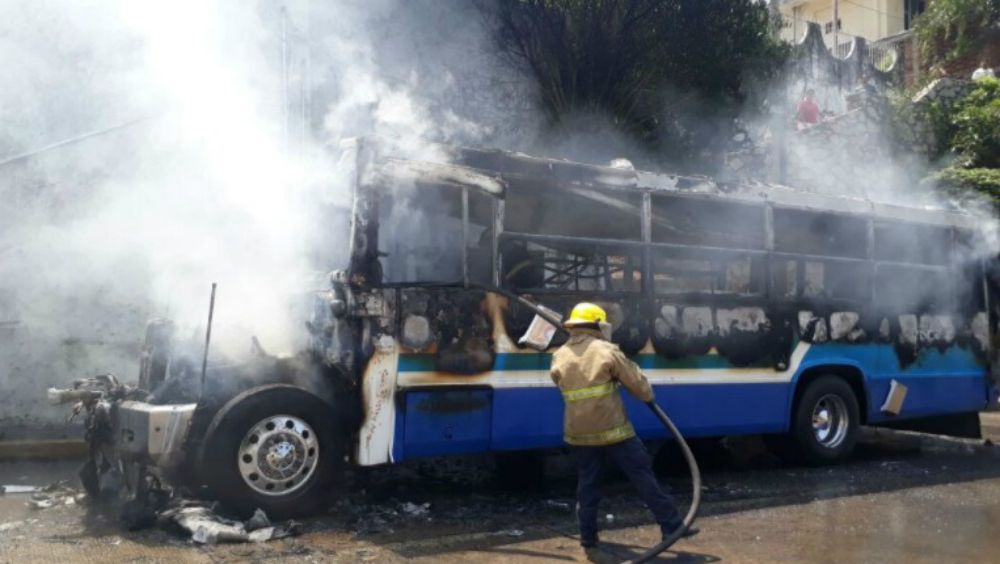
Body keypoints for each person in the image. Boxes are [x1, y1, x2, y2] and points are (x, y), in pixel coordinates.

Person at [550, 302, 697, 548]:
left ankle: (588, 536)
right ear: (597, 325)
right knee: (642, 475)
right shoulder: (606, 351)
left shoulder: (560, 354)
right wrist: (647, 395)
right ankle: (671, 525)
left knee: (587, 484)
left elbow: (559, 382)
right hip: (614, 432)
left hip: (578, 435)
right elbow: (638, 386)